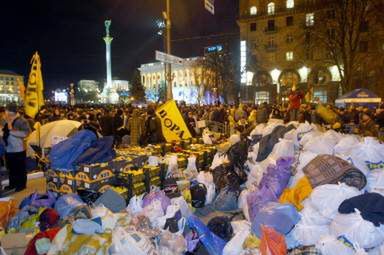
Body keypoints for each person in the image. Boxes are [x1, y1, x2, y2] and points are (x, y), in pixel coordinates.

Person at [2, 104, 31, 192]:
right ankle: (12, 184)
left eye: (9, 113)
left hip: (18, 149)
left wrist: (11, 131)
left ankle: (21, 185)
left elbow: (26, 133)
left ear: (13, 112)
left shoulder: (21, 121)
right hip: (8, 149)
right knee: (11, 168)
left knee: (20, 169)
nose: (7, 115)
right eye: (6, 113)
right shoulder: (5, 120)